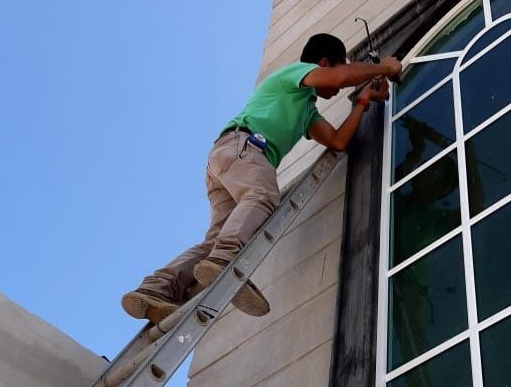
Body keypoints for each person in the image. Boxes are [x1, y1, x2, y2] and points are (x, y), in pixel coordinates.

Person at [121, 33, 402, 324]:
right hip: (245, 149)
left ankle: (158, 287)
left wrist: (364, 99)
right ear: (322, 63)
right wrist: (384, 67)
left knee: (215, 239)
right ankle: (226, 259)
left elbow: (338, 141)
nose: (338, 79)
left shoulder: (306, 109)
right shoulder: (294, 74)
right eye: (337, 66)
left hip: (229, 160)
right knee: (264, 197)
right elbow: (339, 78)